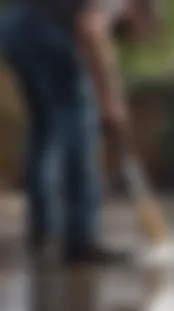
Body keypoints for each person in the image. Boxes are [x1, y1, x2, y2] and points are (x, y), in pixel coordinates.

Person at [0, 0, 158, 264]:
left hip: (15, 29)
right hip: (44, 30)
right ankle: (79, 239)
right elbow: (92, 28)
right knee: (80, 123)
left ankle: (40, 230)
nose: (126, 33)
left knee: (44, 128)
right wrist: (110, 98)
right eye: (135, 29)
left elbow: (86, 39)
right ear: (141, 11)